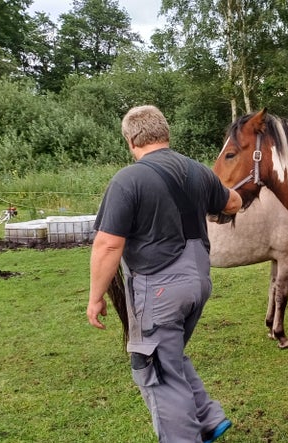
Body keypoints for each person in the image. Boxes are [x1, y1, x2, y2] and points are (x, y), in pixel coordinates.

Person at [86, 105, 242, 443]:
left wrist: (96, 297)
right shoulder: (198, 171)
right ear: (165, 134)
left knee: (153, 368)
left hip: (159, 288)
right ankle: (207, 417)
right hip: (198, 282)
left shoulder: (129, 179)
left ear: (131, 140)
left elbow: (108, 246)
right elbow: (232, 202)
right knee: (168, 354)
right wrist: (222, 197)